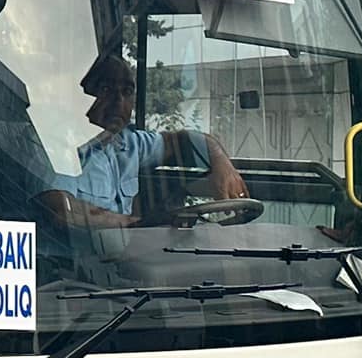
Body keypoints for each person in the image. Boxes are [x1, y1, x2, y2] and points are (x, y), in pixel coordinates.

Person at [38, 51, 248, 228]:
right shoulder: (58, 145)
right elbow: (58, 208)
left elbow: (182, 141)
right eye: (105, 89)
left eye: (127, 91)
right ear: (82, 94)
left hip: (119, 265)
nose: (118, 101)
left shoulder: (130, 144)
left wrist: (221, 163)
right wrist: (135, 227)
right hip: (65, 268)